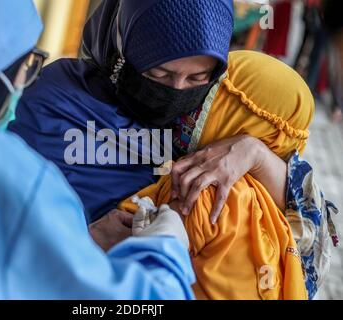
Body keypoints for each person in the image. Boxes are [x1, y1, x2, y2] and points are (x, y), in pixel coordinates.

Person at [9, 0, 338, 299]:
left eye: (197, 78)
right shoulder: (54, 104)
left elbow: (305, 233)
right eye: (158, 73)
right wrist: (81, 241)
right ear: (121, 49)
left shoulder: (213, 117)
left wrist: (254, 154)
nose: (176, 92)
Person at [0, 0, 195, 299]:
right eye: (25, 65)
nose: (26, 81)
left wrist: (71, 241)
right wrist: (164, 251)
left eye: (197, 78)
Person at [120, 50, 327, 300]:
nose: (184, 101)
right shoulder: (274, 205)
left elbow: (137, 282)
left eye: (207, 101)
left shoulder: (202, 190)